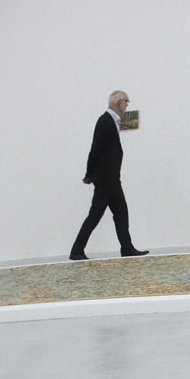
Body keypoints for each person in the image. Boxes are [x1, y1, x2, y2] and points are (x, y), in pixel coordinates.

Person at [70, 91, 147, 261]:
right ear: (119, 102)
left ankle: (127, 248)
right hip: (106, 180)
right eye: (126, 101)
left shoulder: (111, 121)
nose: (127, 104)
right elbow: (95, 149)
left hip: (112, 179)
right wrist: (89, 174)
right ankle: (76, 250)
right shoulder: (105, 121)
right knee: (95, 216)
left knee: (121, 213)